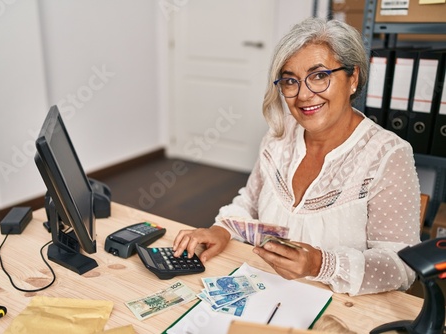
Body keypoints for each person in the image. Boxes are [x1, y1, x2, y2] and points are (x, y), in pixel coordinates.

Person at [173, 17, 421, 296]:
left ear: (353, 78)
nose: (303, 95)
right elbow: (249, 203)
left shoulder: (388, 155)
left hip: (340, 311)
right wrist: (222, 230)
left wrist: (321, 264)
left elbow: (402, 266)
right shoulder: (279, 135)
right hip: (267, 291)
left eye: (319, 76)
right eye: (291, 81)